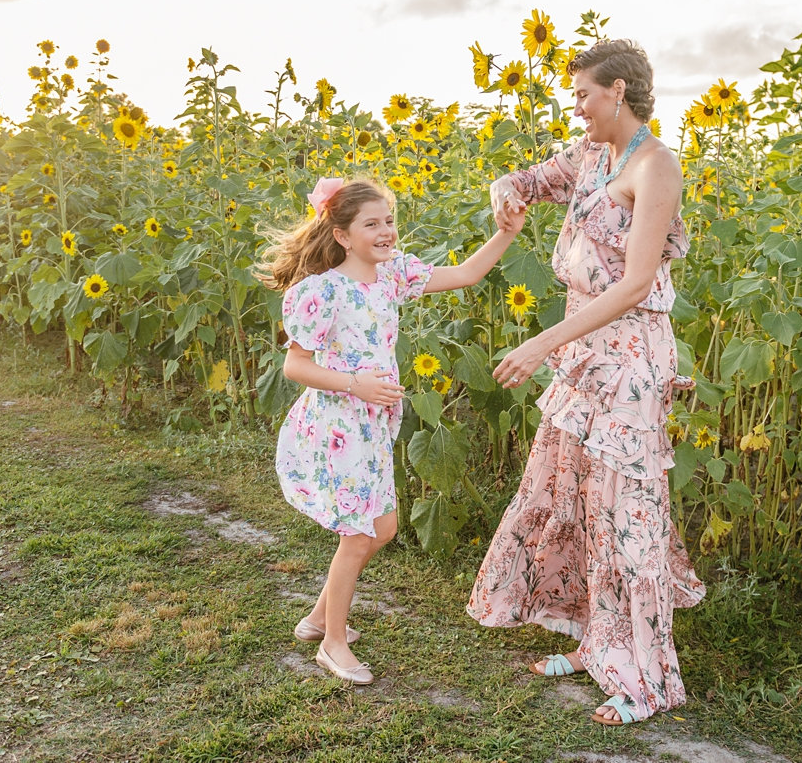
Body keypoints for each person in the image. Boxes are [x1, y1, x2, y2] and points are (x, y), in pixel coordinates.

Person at [466, 39, 706, 725]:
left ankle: (649, 680)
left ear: (620, 92)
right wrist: (505, 196)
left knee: (626, 514)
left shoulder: (655, 166)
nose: (576, 107)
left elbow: (635, 284)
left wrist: (542, 341)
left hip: (627, 360)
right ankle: (598, 642)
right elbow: (527, 180)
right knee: (576, 493)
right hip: (584, 353)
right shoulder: (590, 155)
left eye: (583, 95)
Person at [260, 176, 524, 685]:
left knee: (379, 529)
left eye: (388, 221)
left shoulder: (393, 275)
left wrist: (506, 233)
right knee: (362, 534)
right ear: (341, 235)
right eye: (371, 224)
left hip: (375, 422)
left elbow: (468, 274)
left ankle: (318, 620)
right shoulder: (322, 291)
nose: (385, 232)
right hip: (340, 423)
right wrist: (355, 383)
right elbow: (295, 366)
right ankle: (333, 645)